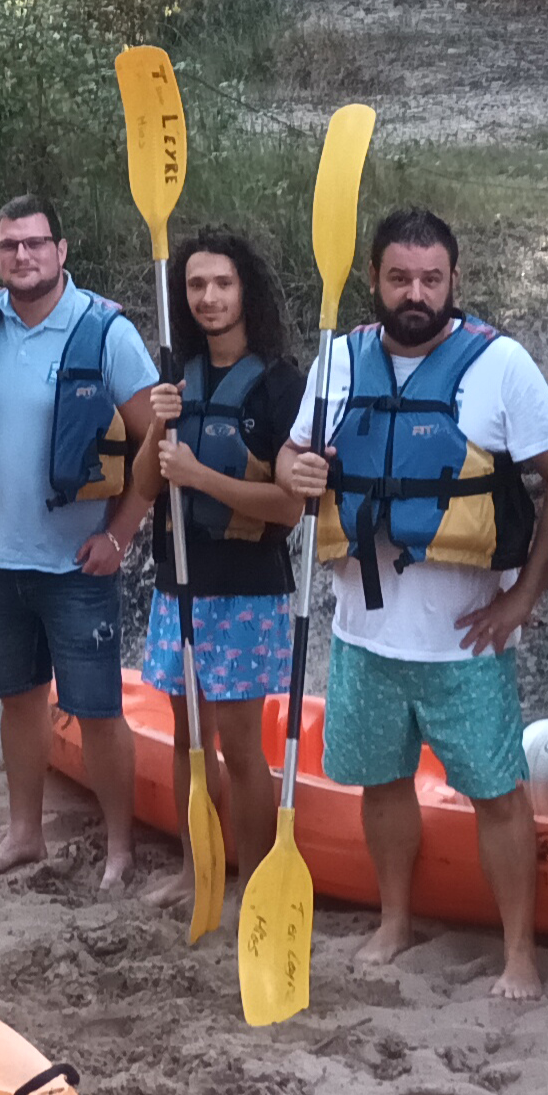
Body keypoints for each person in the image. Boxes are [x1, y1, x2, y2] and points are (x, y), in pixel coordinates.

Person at [274, 207, 548, 1002]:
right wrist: (291, 470)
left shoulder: (499, 364)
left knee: (497, 793)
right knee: (381, 784)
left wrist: (524, 597)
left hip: (464, 643)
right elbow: (291, 453)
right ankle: (395, 920)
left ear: (454, 279)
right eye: (399, 278)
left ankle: (519, 951)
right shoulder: (338, 359)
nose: (414, 293)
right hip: (363, 634)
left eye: (430, 278)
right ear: (374, 279)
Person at [0, 194, 164, 883]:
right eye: (9, 245)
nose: (22, 256)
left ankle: (120, 848)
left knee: (97, 710)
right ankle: (25, 833)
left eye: (34, 243)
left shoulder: (105, 332)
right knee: (19, 701)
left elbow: (157, 443)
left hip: (78, 564)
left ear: (60, 250)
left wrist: (120, 535)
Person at [140, 228, 306, 902]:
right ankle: (195, 871)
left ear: (246, 291)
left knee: (239, 746)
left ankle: (253, 884)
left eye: (223, 284)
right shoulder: (176, 374)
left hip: (246, 588)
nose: (209, 297)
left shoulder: (281, 385)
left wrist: (201, 476)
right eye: (196, 285)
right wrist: (158, 424)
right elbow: (146, 486)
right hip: (179, 583)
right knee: (189, 740)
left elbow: (290, 508)